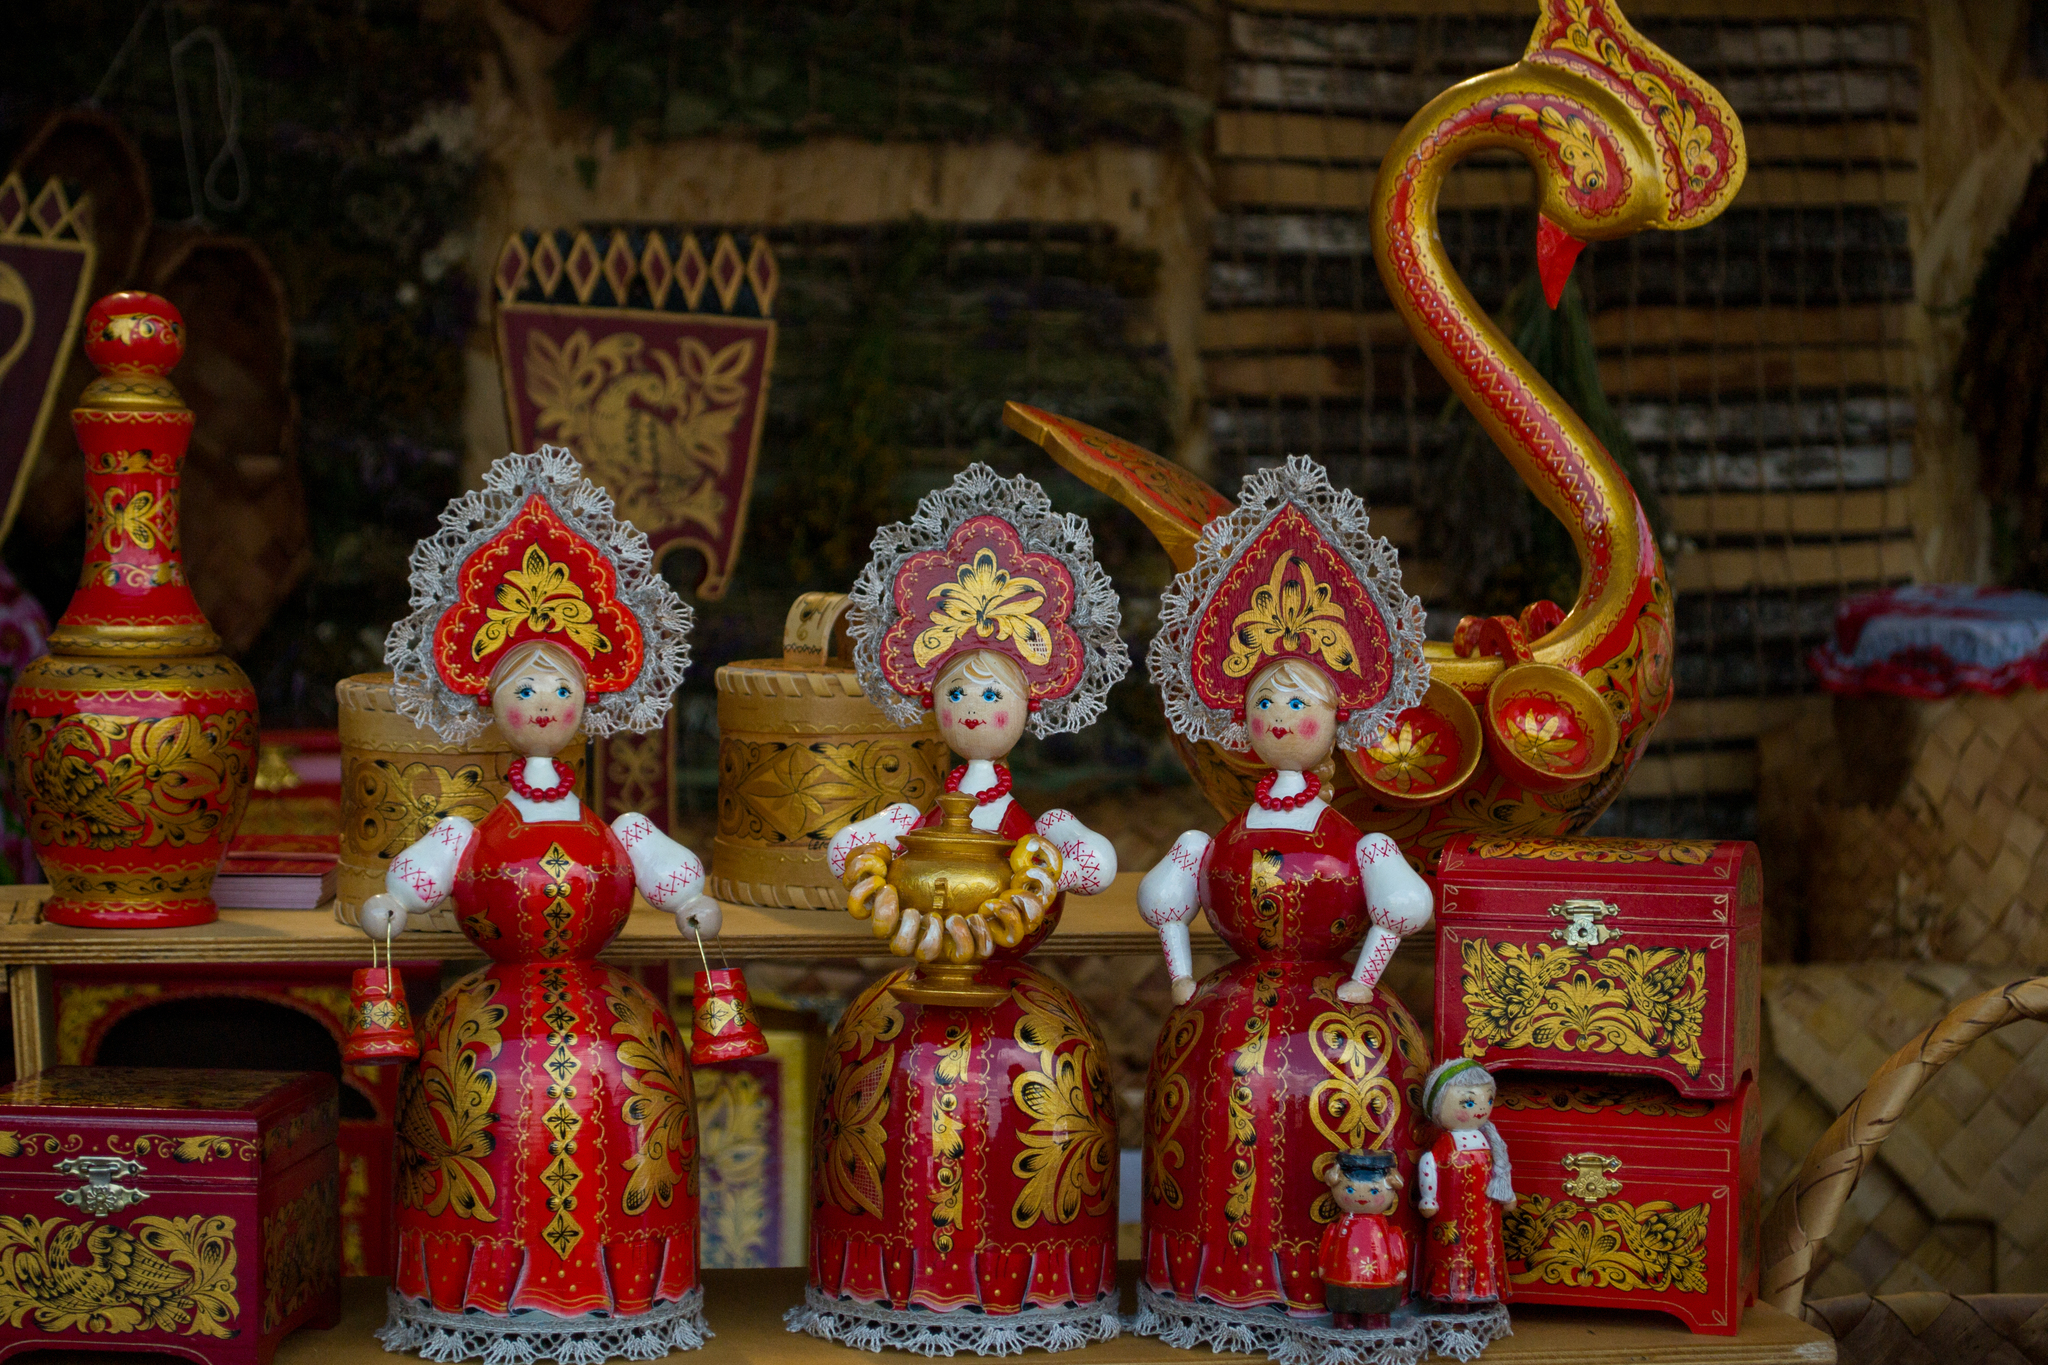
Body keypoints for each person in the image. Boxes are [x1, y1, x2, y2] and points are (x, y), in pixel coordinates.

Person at [358, 449, 716, 1359]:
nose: (545, 700)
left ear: (591, 696)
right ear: (492, 698)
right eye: (525, 685)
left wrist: (690, 905)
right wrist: (392, 905)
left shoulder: (620, 826)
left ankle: (623, 1288)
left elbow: (675, 876)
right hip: (489, 1032)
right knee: (483, 1145)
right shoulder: (466, 828)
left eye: (561, 686)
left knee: (621, 1134)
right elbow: (412, 879)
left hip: (609, 1035)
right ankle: (481, 1293)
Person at [1132, 456, 1438, 1344]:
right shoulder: (1221, 832)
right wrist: (1181, 972)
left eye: (1298, 705)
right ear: (1241, 718)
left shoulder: (1355, 839)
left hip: (1337, 1014)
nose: (1277, 717)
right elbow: (1166, 897)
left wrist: (1363, 979)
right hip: (1225, 1015)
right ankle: (1211, 1276)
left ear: (1339, 721)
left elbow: (1402, 905)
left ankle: (1351, 1273)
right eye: (1264, 701)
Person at [1416, 1058, 1516, 1306]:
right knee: (1451, 1250)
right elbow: (1429, 1166)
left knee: (1486, 1249)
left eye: (1487, 1101)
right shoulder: (1445, 1144)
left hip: (1485, 1215)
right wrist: (1428, 1198)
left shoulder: (1491, 1142)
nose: (1480, 1109)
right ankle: (1449, 1293)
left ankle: (1483, 1291)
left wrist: (1508, 1194)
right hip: (1452, 1215)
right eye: (1468, 1103)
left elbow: (1500, 1169)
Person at [1318, 1150, 1412, 1329]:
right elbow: (1328, 1244)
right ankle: (1344, 1321)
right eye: (1350, 1189)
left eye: (1374, 1191)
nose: (1361, 1197)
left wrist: (1400, 1268)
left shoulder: (1386, 1228)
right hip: (1342, 1277)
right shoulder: (1339, 1226)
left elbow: (1396, 1245)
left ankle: (1376, 1321)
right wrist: (1323, 1265)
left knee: (1377, 1307)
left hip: (1380, 1278)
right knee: (1342, 1304)